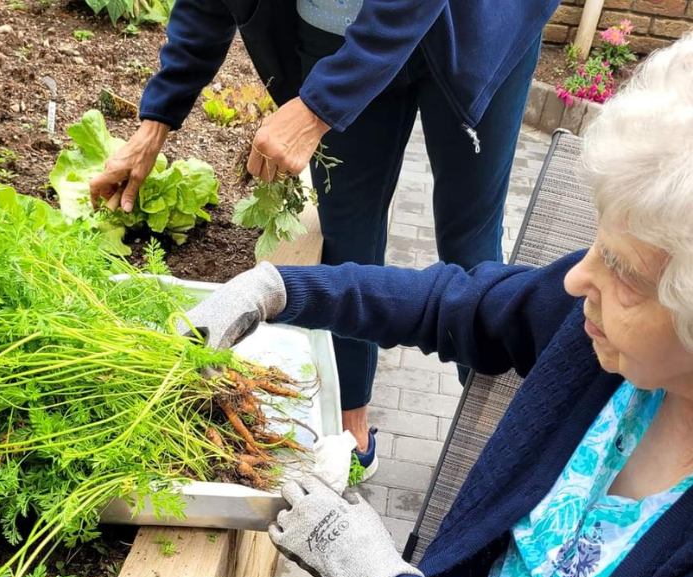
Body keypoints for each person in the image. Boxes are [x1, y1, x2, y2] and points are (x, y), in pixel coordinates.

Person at [183, 35, 693, 577]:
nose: (576, 278)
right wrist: (282, 287)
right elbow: (453, 304)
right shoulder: (596, 329)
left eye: (622, 269)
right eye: (597, 241)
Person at [88, 0, 559, 476]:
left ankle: (503, 449)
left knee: (469, 242)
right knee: (347, 228)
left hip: (477, 22)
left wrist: (317, 108)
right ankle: (349, 421)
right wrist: (155, 123)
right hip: (336, 25)